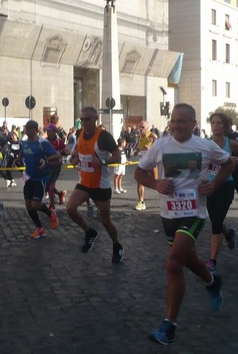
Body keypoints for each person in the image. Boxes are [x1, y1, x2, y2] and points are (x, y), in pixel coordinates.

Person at [134, 103, 235, 346]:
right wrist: (156, 185)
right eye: (173, 121)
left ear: (193, 124)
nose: (177, 125)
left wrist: (215, 184)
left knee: (173, 263)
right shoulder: (160, 145)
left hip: (193, 212)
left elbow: (229, 163)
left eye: (182, 121)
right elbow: (139, 172)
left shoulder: (205, 146)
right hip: (168, 214)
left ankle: (169, 325)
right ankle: (212, 281)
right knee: (187, 260)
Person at [66, 107, 124, 264]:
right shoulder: (79, 134)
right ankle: (89, 232)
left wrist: (103, 161)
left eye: (88, 119)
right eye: (82, 119)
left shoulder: (104, 136)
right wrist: (74, 160)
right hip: (85, 182)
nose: (85, 123)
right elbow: (74, 155)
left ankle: (117, 245)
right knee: (70, 208)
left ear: (96, 119)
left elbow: (117, 157)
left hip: (101, 185)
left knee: (105, 221)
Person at [205, 113, 238, 273]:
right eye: (213, 122)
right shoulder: (205, 144)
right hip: (209, 186)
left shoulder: (232, 144)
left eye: (219, 123)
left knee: (216, 222)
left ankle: (212, 261)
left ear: (225, 126)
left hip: (226, 185)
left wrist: (236, 161)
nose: (215, 126)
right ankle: (228, 234)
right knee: (215, 219)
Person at [16, 120, 60, 238]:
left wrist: (46, 160)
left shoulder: (42, 143)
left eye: (30, 129)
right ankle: (40, 229)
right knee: (28, 205)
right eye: (26, 129)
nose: (27, 131)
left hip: (40, 178)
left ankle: (51, 213)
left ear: (35, 130)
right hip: (28, 178)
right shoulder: (24, 143)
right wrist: (18, 159)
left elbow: (57, 155)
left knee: (35, 205)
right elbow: (22, 153)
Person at [134, 120, 158, 210]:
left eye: (142, 127)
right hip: (143, 162)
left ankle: (167, 198)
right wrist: (137, 151)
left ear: (148, 128)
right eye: (139, 127)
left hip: (152, 163)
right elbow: (140, 147)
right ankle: (141, 202)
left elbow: (159, 146)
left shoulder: (152, 136)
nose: (140, 129)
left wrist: (151, 148)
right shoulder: (140, 137)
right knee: (139, 180)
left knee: (156, 181)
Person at [45, 123, 67, 206]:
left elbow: (67, 151)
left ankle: (51, 205)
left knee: (50, 185)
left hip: (56, 165)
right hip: (47, 165)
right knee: (46, 185)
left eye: (49, 131)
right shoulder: (45, 141)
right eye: (47, 131)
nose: (47, 132)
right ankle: (60, 194)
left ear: (54, 132)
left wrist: (61, 153)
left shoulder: (58, 141)